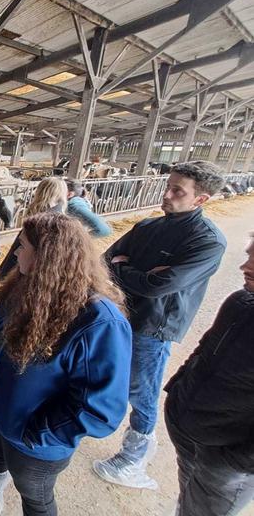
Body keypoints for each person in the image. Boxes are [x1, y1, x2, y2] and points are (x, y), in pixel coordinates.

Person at [0, 213, 131, 516]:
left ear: (47, 257)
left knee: (35, 495)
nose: (15, 252)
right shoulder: (22, 286)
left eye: (22, 246)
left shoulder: (98, 321)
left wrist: (38, 432)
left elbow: (101, 409)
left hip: (34, 441)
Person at [93, 160, 227, 490]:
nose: (166, 194)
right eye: (168, 186)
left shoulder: (208, 241)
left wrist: (127, 272)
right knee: (108, 373)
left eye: (177, 191)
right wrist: (143, 274)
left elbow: (160, 286)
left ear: (201, 199)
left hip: (152, 327)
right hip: (120, 314)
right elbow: (104, 262)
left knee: (142, 389)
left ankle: (134, 457)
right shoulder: (147, 227)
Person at [163, 236, 254, 516]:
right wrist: (176, 391)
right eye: (249, 255)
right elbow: (204, 348)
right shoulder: (240, 302)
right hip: (187, 431)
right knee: (187, 497)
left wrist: (235, 461)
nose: (244, 266)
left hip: (224, 459)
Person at [0, 176, 67, 282]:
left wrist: (4, 276)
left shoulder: (37, 224)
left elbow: (15, 255)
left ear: (40, 193)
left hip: (25, 279)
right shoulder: (66, 224)